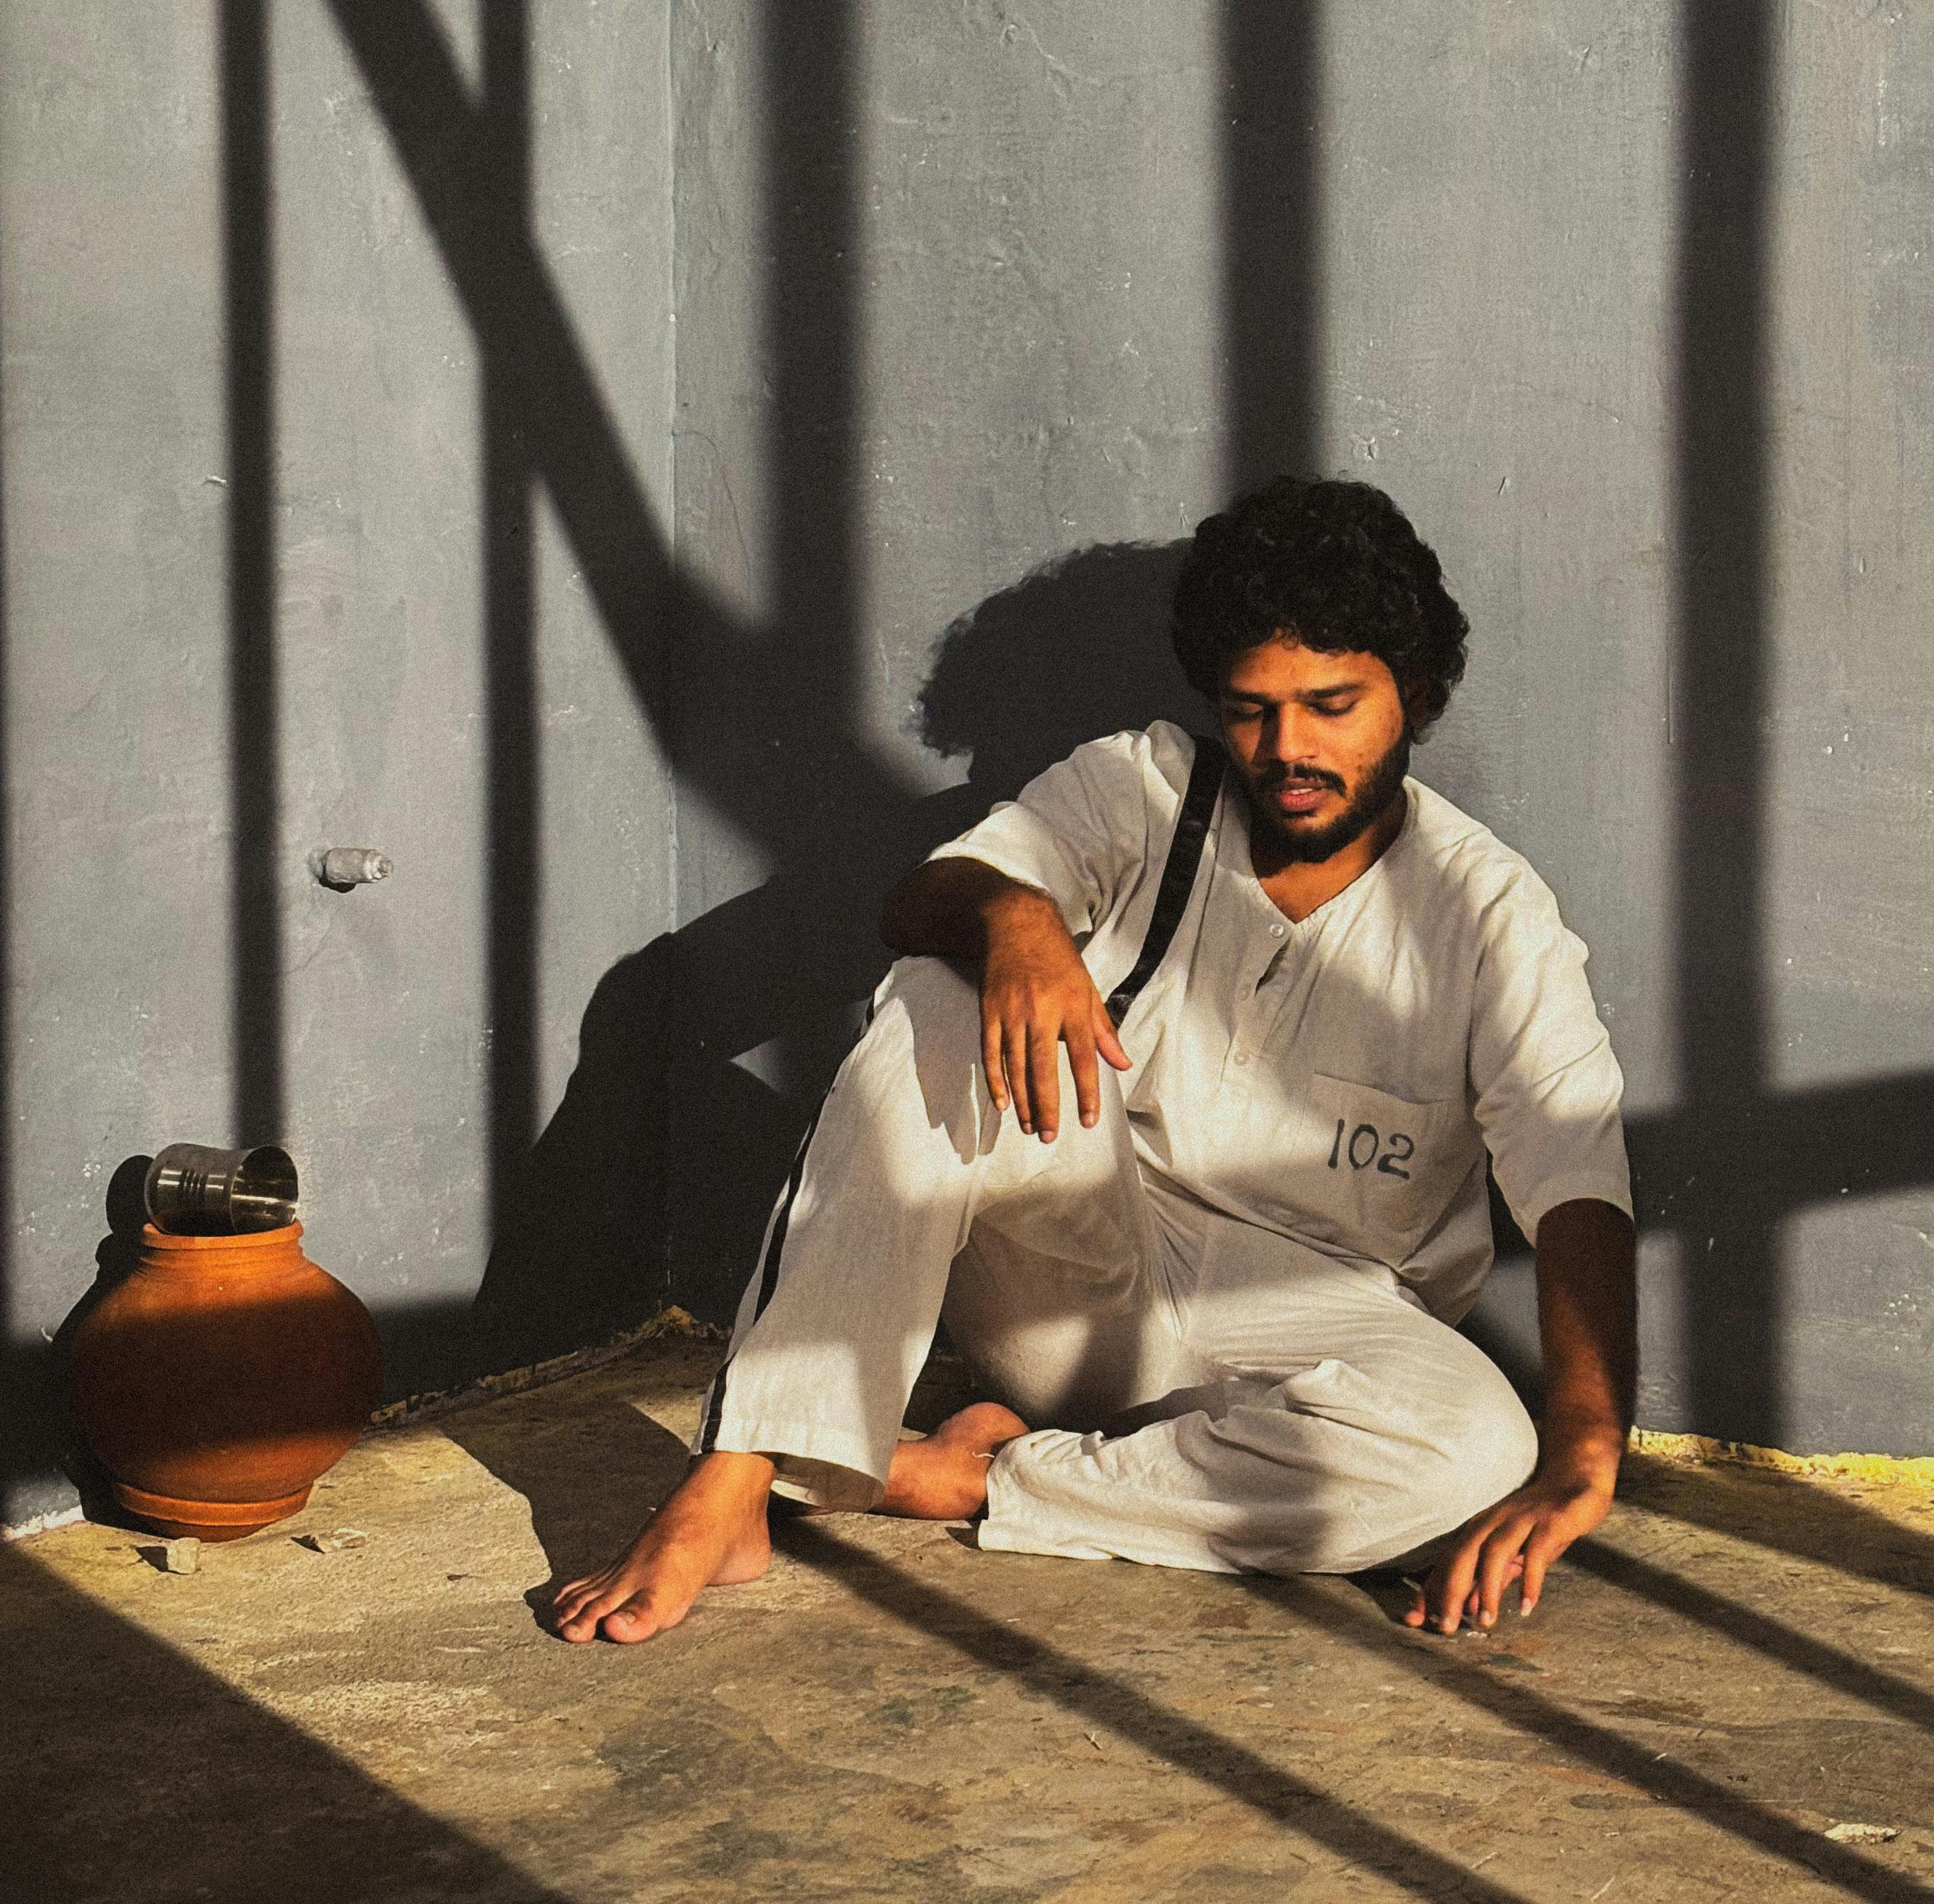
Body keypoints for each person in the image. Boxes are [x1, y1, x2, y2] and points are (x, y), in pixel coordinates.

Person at [555, 478, 1636, 1646]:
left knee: (1472, 1456)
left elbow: (1573, 1175)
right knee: (939, 988)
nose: (1290, 751)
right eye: (1254, 710)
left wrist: (1586, 1454)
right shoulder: (1147, 786)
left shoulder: (1486, 911)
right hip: (1078, 1268)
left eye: (1333, 706)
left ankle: (980, 1479)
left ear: (1414, 697)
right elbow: (935, 891)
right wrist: (1014, 925)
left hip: (1315, 1329)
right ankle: (737, 1481)